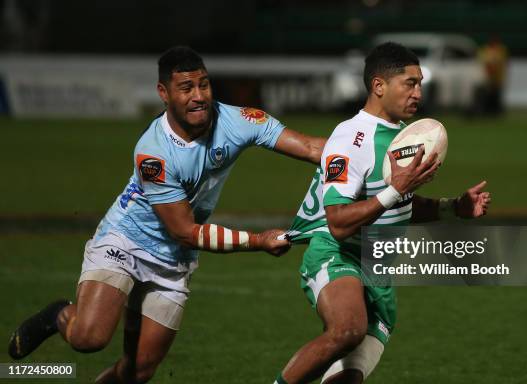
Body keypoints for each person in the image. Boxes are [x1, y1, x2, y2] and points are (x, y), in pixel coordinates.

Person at [8, 46, 326, 384]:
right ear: (164, 93)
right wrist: (257, 240)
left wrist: (373, 147)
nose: (199, 96)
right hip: (126, 241)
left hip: (174, 261)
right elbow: (184, 230)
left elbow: (311, 148)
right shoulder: (154, 152)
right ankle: (57, 314)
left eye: (204, 85)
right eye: (186, 88)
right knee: (90, 338)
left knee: (137, 373)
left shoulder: (240, 121)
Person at [274, 42, 491, 384]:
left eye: (420, 83)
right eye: (410, 83)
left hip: (379, 270)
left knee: (349, 378)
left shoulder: (403, 135)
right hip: (338, 255)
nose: (419, 92)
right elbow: (339, 221)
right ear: (379, 86)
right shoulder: (351, 139)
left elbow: (399, 205)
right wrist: (395, 190)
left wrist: (453, 208)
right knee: (348, 329)